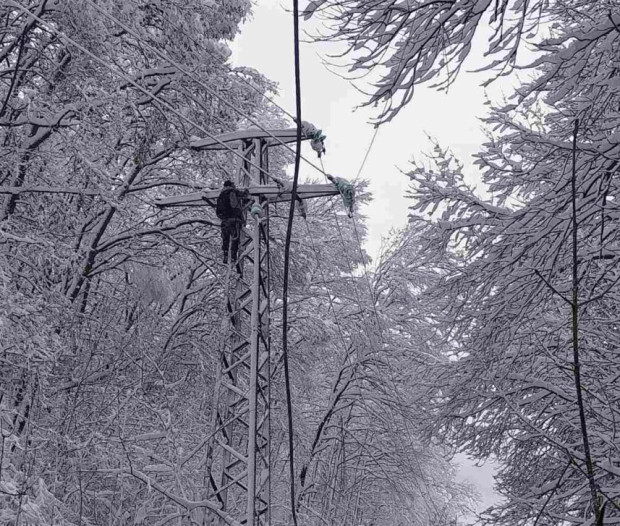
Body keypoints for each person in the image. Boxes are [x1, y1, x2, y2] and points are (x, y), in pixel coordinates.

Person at [216, 180, 248, 264]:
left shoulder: (221, 195)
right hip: (234, 219)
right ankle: (233, 256)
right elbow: (244, 195)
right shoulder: (233, 192)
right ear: (231, 185)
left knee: (225, 239)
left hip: (224, 221)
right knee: (235, 238)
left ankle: (225, 254)